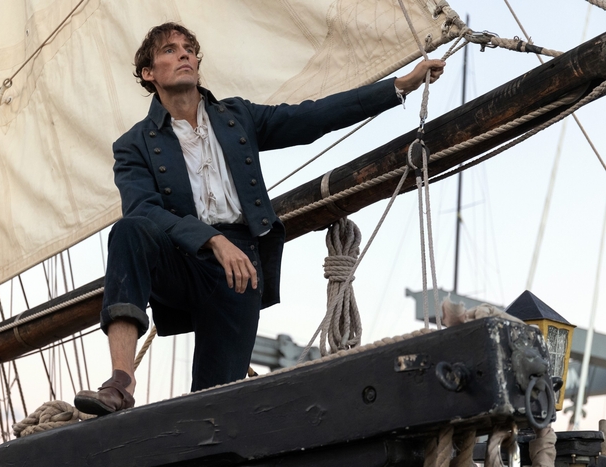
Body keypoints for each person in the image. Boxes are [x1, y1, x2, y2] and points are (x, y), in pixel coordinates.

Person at [74, 22, 445, 416]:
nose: (184, 54)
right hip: (180, 259)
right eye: (170, 49)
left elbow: (314, 117)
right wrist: (212, 240)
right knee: (129, 231)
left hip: (239, 268)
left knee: (213, 406)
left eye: (189, 49)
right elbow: (144, 209)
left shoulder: (236, 117)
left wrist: (399, 86)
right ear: (149, 73)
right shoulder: (133, 145)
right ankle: (121, 381)